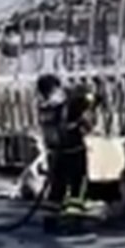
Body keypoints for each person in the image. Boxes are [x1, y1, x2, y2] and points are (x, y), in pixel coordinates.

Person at [36, 74, 90, 212]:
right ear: (54, 89)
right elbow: (92, 100)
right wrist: (82, 92)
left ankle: (51, 222)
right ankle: (75, 220)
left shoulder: (43, 108)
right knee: (77, 188)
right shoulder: (66, 106)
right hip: (74, 153)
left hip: (54, 155)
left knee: (56, 189)